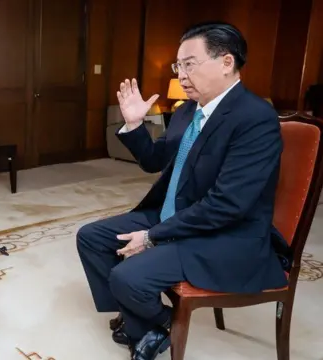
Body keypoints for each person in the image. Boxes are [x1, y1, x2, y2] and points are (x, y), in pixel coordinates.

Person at [76, 22, 289, 360]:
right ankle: (151, 325)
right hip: (177, 213)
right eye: (179, 65)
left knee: (127, 277)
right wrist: (134, 125)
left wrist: (152, 236)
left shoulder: (255, 118)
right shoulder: (187, 110)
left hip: (224, 234)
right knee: (91, 237)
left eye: (190, 63)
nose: (182, 74)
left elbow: (227, 205)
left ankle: (143, 324)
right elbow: (154, 161)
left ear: (226, 62)